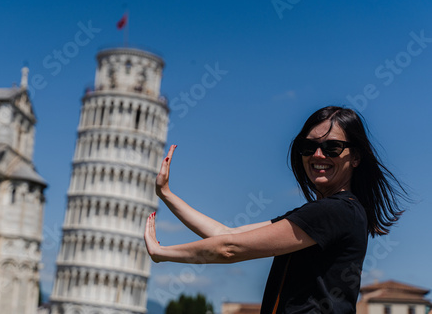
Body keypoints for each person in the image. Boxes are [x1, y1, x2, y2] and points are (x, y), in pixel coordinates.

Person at [144, 106, 407, 314]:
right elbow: (226, 234)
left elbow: (229, 249)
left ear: (356, 157)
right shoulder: (326, 214)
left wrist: (162, 253)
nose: (317, 155)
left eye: (332, 147)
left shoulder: (334, 212)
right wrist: (166, 194)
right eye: (308, 147)